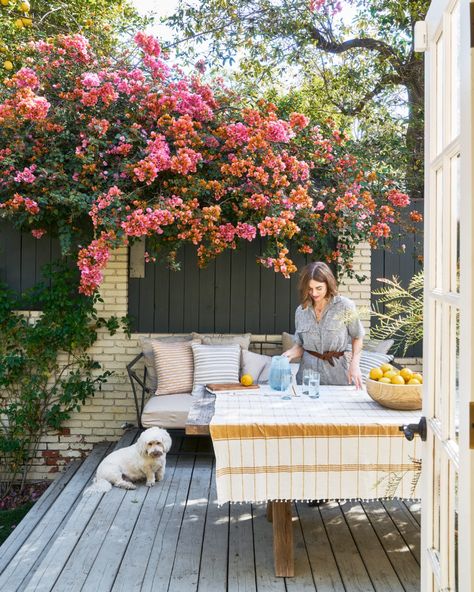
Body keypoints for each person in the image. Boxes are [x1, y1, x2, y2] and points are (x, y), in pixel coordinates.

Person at [283, 261, 364, 389]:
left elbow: (357, 337)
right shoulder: (301, 311)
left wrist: (355, 364)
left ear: (328, 283)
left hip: (337, 376)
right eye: (310, 289)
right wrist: (288, 355)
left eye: (318, 288)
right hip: (307, 379)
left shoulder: (345, 306)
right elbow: (300, 346)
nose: (314, 293)